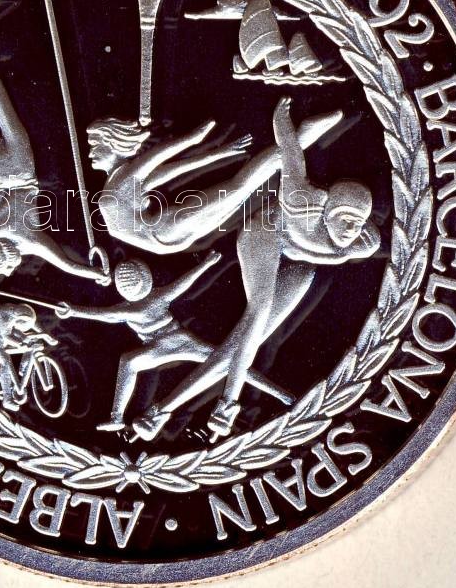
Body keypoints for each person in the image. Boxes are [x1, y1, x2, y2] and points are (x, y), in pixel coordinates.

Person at [132, 97, 381, 441]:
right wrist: (281, 117)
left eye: (357, 223)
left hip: (299, 262)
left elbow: (364, 237)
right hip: (265, 234)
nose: (349, 230)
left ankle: (160, 410)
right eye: (343, 218)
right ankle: (227, 405)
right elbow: (290, 152)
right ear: (325, 209)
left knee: (245, 340)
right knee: (259, 310)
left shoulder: (364, 243)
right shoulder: (299, 200)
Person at [0, 28, 108, 303]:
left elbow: (67, 265)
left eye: (8, 265)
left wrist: (95, 273)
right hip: (6, 173)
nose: (12, 267)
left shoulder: (24, 241)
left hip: (14, 173)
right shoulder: (9, 241)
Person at [56, 251, 291, 431]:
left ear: (144, 277)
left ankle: (280, 394)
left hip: (177, 340)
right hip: (159, 346)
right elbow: (104, 315)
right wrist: (73, 311)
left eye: (130, 277)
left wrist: (206, 264)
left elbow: (182, 284)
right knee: (130, 361)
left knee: (231, 363)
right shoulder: (129, 308)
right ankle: (117, 418)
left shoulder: (150, 300)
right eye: (124, 279)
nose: (126, 281)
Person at [86, 103, 343, 255]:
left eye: (96, 146)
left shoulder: (123, 178)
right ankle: (298, 138)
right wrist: (213, 151)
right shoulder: (121, 180)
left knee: (241, 187)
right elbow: (170, 169)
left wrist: (196, 141)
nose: (90, 153)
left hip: (167, 230)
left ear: (114, 145)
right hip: (166, 235)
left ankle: (299, 139)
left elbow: (159, 157)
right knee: (241, 187)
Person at [0, 303, 56, 410]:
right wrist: (19, 344)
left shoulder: (22, 311)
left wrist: (48, 337)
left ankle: (24, 367)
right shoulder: (6, 317)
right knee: (5, 362)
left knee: (30, 340)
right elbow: (6, 337)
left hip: (10, 330)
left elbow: (34, 325)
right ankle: (7, 399)